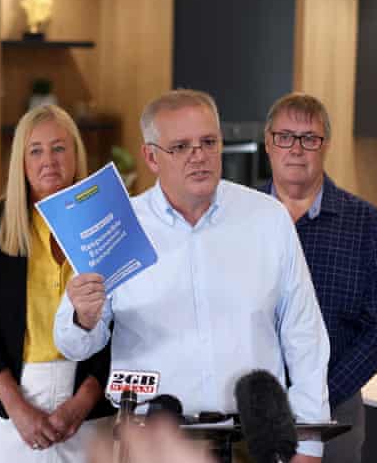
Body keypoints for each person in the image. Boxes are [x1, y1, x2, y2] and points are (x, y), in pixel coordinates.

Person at [54, 90, 330, 462]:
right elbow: (75, 345)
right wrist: (83, 317)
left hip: (252, 442)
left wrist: (309, 443)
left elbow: (305, 334)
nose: (198, 156)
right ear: (151, 156)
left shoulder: (268, 219)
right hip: (153, 443)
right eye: (181, 146)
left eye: (208, 142)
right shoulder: (117, 226)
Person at [0, 105, 112, 463]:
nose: (49, 160)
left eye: (59, 148)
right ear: (21, 162)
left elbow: (122, 323)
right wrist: (17, 408)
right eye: (36, 150)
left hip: (89, 408)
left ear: (76, 154)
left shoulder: (104, 221)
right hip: (10, 406)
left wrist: (82, 403)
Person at [260, 93, 377, 463]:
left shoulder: (366, 224)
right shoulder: (241, 216)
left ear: (326, 146)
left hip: (335, 414)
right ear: (268, 143)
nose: (296, 149)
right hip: (251, 412)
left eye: (310, 139)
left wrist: (320, 393)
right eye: (285, 137)